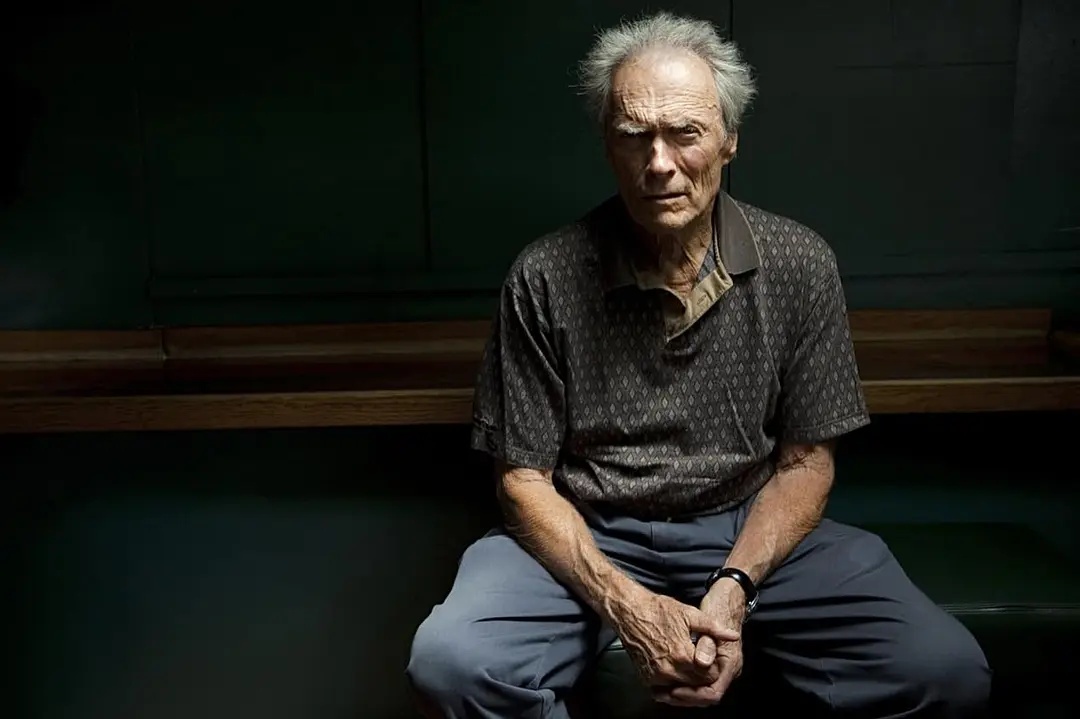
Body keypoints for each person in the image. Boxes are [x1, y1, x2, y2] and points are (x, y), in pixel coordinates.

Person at [406, 11, 990, 719]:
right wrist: (627, 603)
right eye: (635, 136)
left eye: (685, 133)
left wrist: (733, 588)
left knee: (944, 669)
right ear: (608, 144)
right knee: (451, 662)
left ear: (728, 139)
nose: (659, 163)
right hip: (589, 525)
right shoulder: (546, 274)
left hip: (745, 521)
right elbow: (521, 479)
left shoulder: (800, 263)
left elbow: (807, 463)